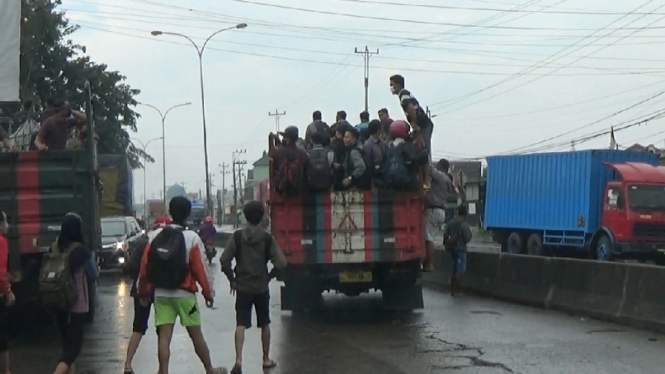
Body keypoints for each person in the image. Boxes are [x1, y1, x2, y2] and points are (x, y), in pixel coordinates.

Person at [137, 196, 224, 374]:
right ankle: (209, 369)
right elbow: (201, 269)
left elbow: (144, 267)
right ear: (188, 214)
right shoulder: (192, 238)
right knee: (196, 334)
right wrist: (208, 294)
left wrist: (143, 291)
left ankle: (163, 371)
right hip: (185, 295)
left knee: (164, 336)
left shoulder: (155, 236)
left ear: (170, 211)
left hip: (161, 294)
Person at [220, 201, 287, 374]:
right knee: (264, 323)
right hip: (261, 287)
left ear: (245, 216)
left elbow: (224, 260)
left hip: (242, 287)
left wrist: (232, 280)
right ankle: (265, 359)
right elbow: (281, 263)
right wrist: (270, 275)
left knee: (241, 323)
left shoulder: (237, 237)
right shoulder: (267, 238)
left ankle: (239, 360)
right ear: (262, 216)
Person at [123, 215, 172, 374]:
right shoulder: (170, 242)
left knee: (138, 328)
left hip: (141, 290)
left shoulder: (142, 242)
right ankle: (162, 369)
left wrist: (139, 285)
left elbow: (130, 267)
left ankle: (128, 364)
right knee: (163, 331)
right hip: (161, 290)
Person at [53, 213, 99, 374]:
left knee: (67, 346)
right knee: (73, 351)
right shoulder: (82, 251)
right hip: (77, 304)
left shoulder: (56, 246)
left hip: (58, 302)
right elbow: (93, 275)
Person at [390, 74, 434, 187]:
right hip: (421, 125)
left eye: (392, 85)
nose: (391, 87)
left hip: (423, 125)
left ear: (398, 84)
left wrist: (415, 126)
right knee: (418, 149)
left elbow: (411, 109)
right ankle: (422, 177)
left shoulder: (403, 94)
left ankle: (426, 179)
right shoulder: (404, 94)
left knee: (424, 150)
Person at [423, 159, 456, 272]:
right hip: (441, 211)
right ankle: (426, 262)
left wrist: (423, 156)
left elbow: (429, 168)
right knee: (429, 237)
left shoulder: (441, 176)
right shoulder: (448, 180)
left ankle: (429, 264)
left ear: (441, 167)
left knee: (428, 238)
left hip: (434, 210)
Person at [384, 120, 428, 192]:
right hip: (408, 184)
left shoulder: (388, 146)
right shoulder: (407, 147)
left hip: (390, 184)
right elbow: (423, 157)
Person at [269, 126, 309, 195]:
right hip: (299, 189)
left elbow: (274, 166)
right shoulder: (303, 154)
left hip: (281, 189)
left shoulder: (279, 152)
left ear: (287, 139)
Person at [443, 205, 472, 296]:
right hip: (460, 250)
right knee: (460, 270)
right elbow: (468, 238)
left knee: (453, 270)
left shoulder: (451, 222)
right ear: (465, 213)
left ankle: (452, 290)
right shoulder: (464, 224)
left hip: (452, 249)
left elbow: (446, 234)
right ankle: (457, 290)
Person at [0, 212, 15, 374]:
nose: (7, 225)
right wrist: (8, 291)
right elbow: (0, 270)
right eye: (5, 220)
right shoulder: (1, 241)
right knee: (2, 337)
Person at [363, 119, 387, 188]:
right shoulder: (368, 144)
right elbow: (368, 165)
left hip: (383, 175)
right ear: (378, 129)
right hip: (375, 178)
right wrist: (372, 184)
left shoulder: (382, 143)